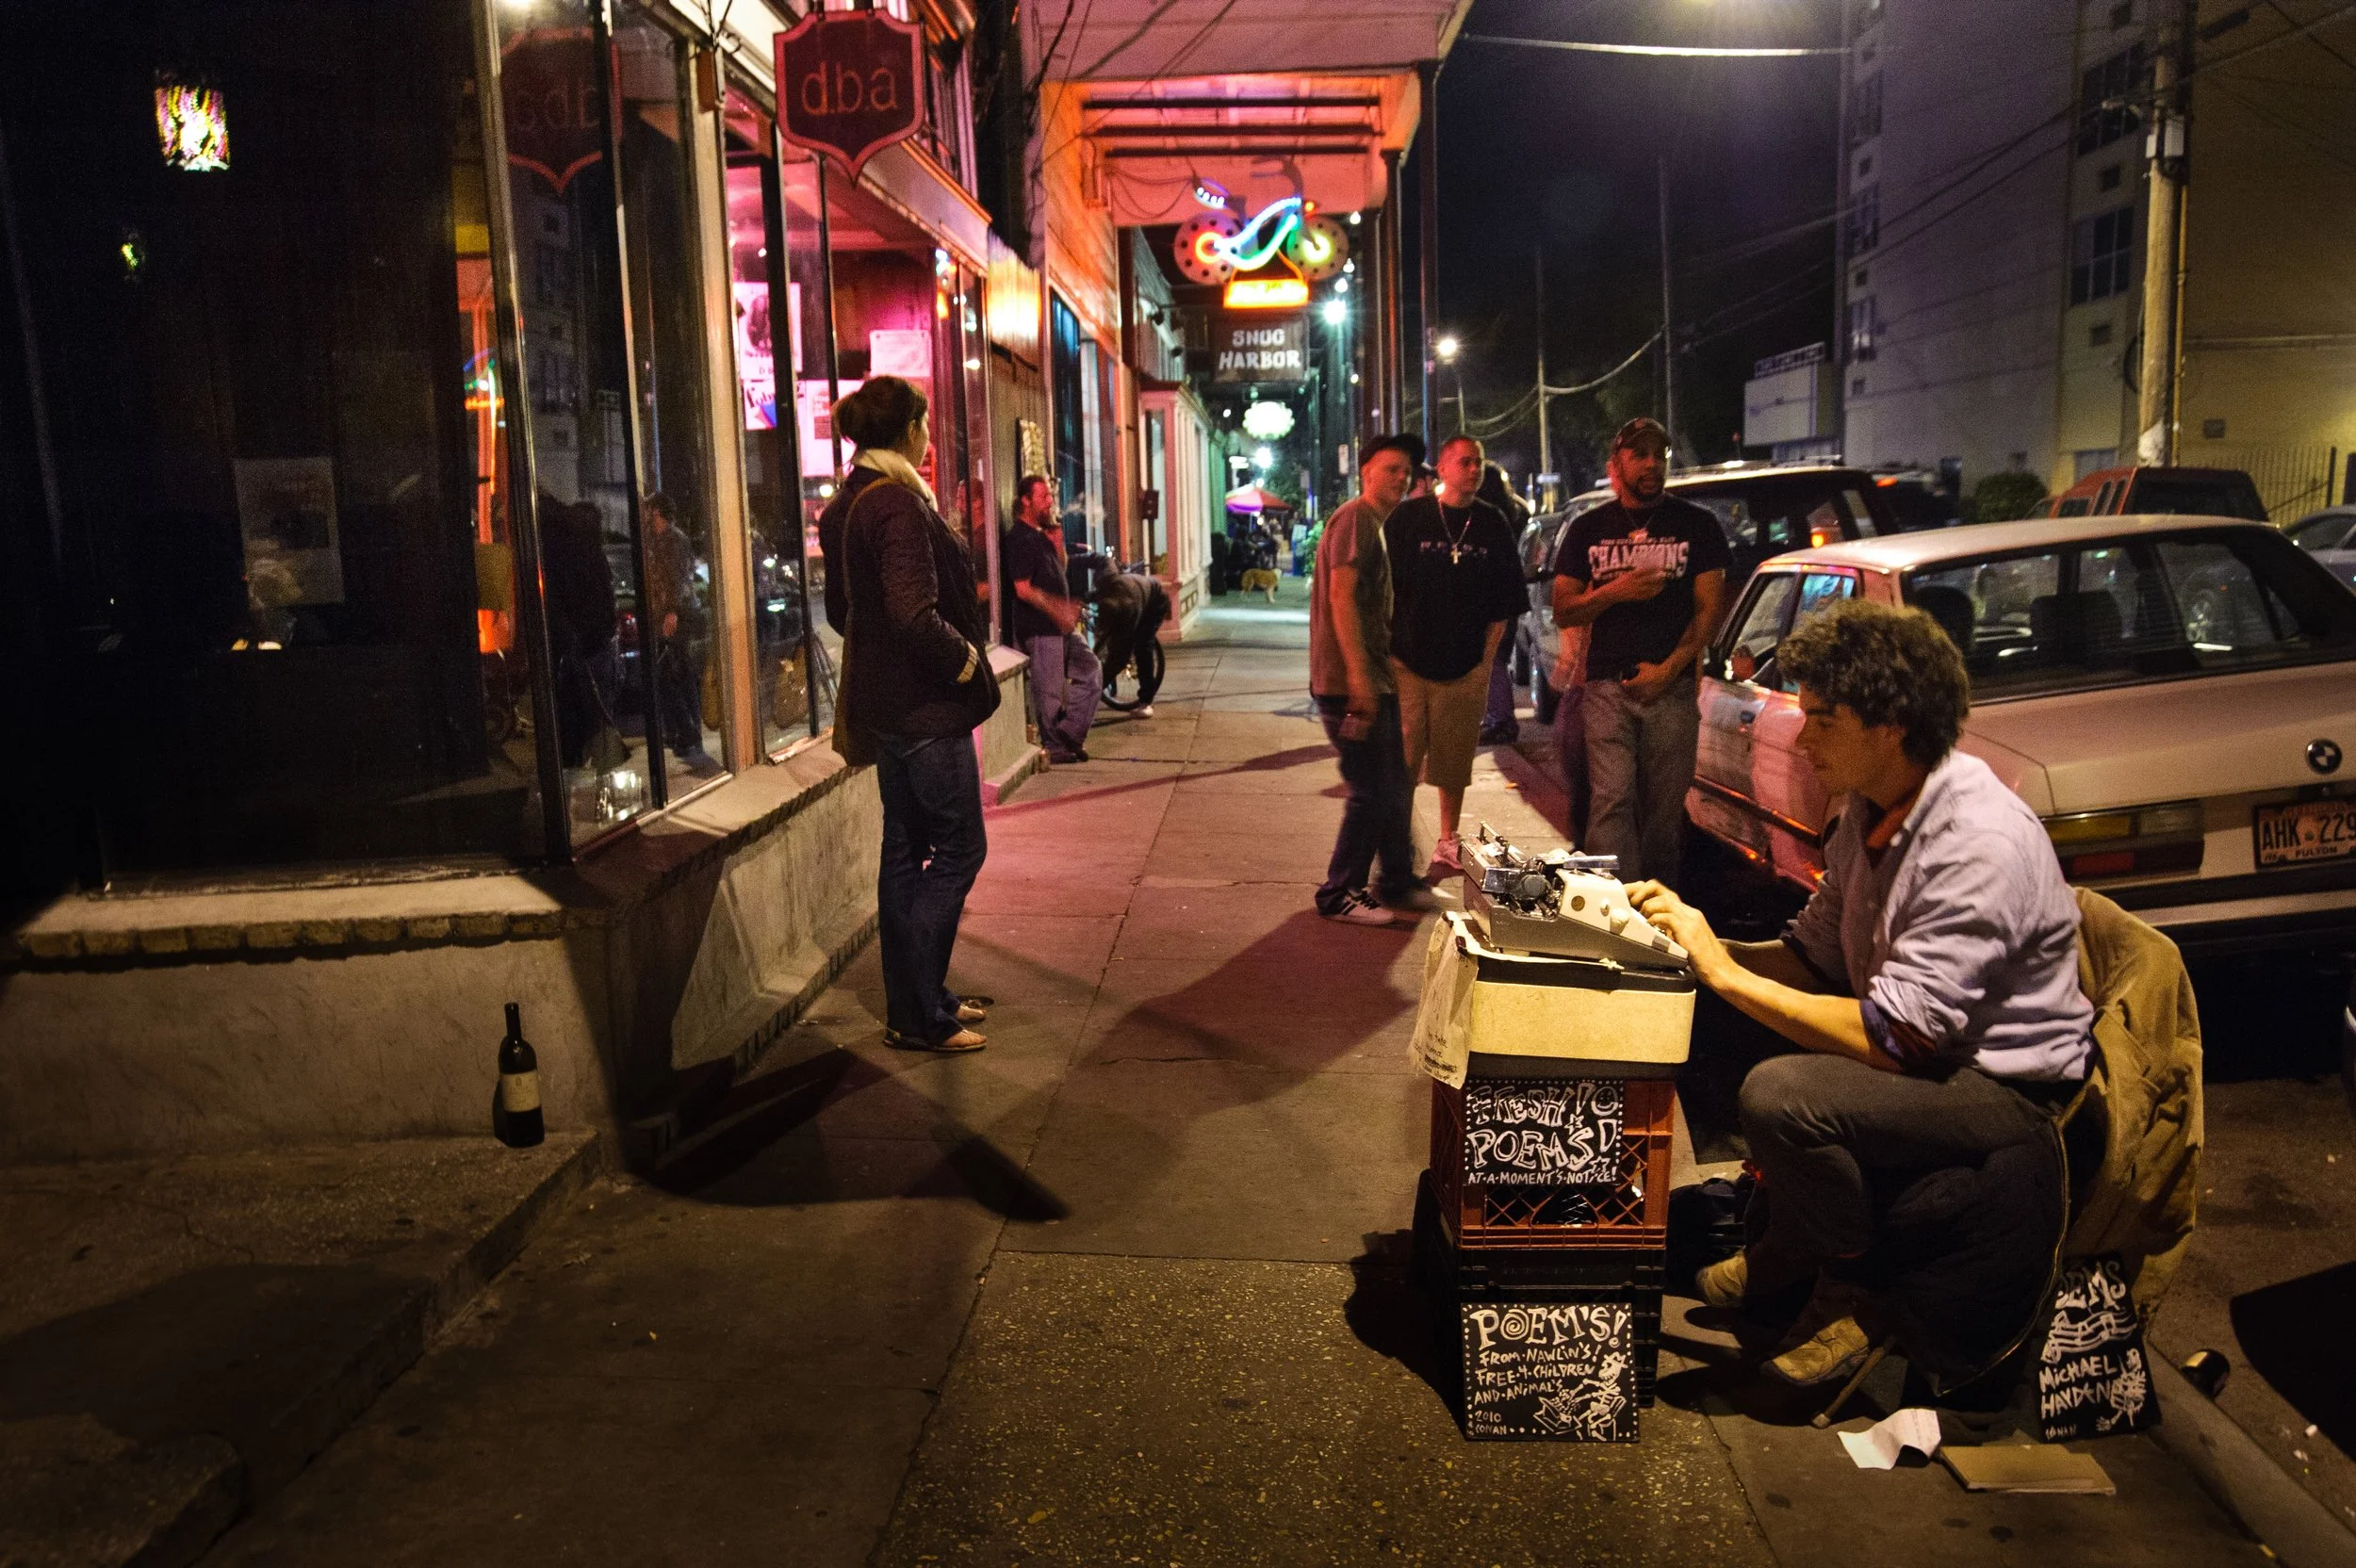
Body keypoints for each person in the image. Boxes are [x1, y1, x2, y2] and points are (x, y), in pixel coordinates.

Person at [1630, 600, 2092, 1386]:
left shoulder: (1975, 841)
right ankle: (1793, 1235)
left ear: (1892, 725)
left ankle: (1843, 1278)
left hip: (2002, 1086)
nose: (1801, 740)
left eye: (1823, 721)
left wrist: (1728, 972)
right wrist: (1693, 945)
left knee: (1783, 1093)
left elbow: (1902, 1040)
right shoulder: (1869, 809)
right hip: (1926, 1048)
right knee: (1691, 1003)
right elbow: (1813, 958)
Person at [818, 376, 1001, 1054]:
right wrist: (964, 663)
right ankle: (920, 1013)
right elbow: (911, 612)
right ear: (908, 430)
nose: (929, 437)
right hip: (926, 712)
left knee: (905, 851)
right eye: (924, 423)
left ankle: (916, 1002)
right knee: (958, 850)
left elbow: (846, 614)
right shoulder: (895, 501)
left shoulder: (848, 502)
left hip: (887, 709)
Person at [1551, 416, 1727, 884]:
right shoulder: (1588, 528)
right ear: (1617, 465)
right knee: (1611, 801)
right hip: (1607, 687)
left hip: (1671, 690)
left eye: (1659, 455)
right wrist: (1618, 590)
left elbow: (1709, 612)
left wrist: (1667, 671)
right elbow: (1564, 609)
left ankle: (1657, 915)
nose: (1652, 464)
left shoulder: (1698, 526)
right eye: (1639, 455)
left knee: (1662, 814)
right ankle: (1611, 913)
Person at [1383, 433, 1528, 875]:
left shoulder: (1492, 523)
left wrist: (1485, 664)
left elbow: (1504, 602)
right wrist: (1386, 653)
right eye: (1465, 462)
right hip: (1407, 661)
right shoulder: (1409, 518)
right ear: (1442, 470)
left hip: (1465, 665)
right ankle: (1397, 842)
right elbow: (1383, 587)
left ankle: (1447, 841)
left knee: (1453, 759)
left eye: (1479, 462)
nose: (1474, 469)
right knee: (1405, 758)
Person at [1309, 433, 1436, 926]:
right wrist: (1360, 682)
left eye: (1406, 472)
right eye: (1391, 470)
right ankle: (1339, 891)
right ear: (1366, 473)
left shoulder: (1375, 523)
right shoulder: (1357, 518)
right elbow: (1342, 598)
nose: (1401, 479)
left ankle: (1397, 879)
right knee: (1371, 789)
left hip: (1370, 679)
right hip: (1348, 683)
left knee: (1392, 783)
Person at [1000, 474, 1100, 763]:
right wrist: (1059, 608)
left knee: (1091, 671)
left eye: (1051, 497)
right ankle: (1056, 747)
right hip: (1040, 628)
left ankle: (1069, 733)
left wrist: (1059, 547)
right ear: (1026, 501)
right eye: (1044, 497)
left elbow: (1061, 570)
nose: (1050, 503)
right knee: (1050, 692)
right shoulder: (1019, 538)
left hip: (1060, 625)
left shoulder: (1042, 535)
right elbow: (1022, 588)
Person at [641, 492, 719, 776]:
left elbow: (678, 579)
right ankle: (683, 733)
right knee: (672, 674)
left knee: (674, 674)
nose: (647, 515)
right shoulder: (656, 540)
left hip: (678, 616)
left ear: (658, 511)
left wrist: (672, 613)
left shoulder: (675, 540)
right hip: (666, 614)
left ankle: (688, 734)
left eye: (649, 509)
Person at [1476, 461, 1534, 745]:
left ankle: (1501, 719)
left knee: (1494, 659)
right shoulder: (1518, 510)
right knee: (1499, 657)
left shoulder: (1485, 516)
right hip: (1511, 596)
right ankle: (1497, 717)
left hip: (1491, 596)